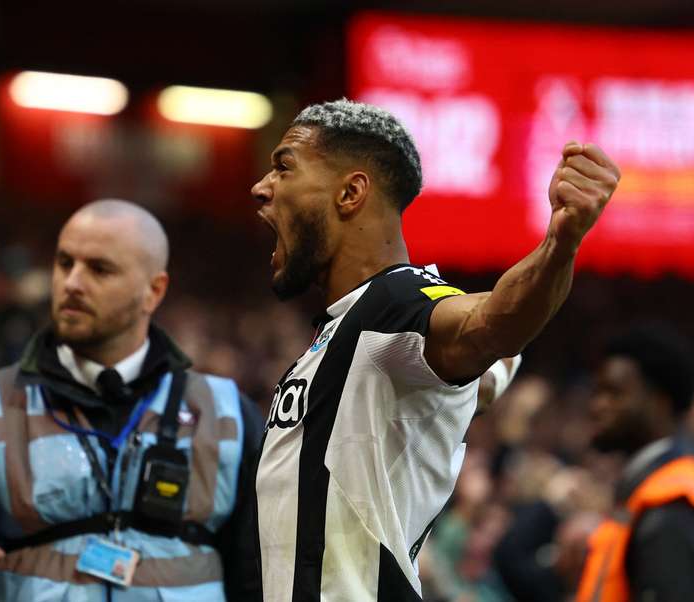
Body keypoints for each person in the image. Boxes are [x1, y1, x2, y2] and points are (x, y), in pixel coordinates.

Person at [249, 98, 620, 601]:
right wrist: (489, 374)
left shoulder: (394, 303)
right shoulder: (345, 333)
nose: (262, 188)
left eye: (284, 167)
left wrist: (560, 242)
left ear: (351, 192)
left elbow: (489, 325)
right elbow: (490, 358)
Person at [0, 199, 264, 601]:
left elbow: (258, 575)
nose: (73, 283)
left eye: (99, 269)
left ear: (153, 291)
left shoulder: (229, 414)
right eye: (65, 263)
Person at [576, 324, 694, 601]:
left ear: (660, 403)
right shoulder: (647, 492)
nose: (597, 405)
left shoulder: (673, 504)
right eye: (597, 392)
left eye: (614, 393)